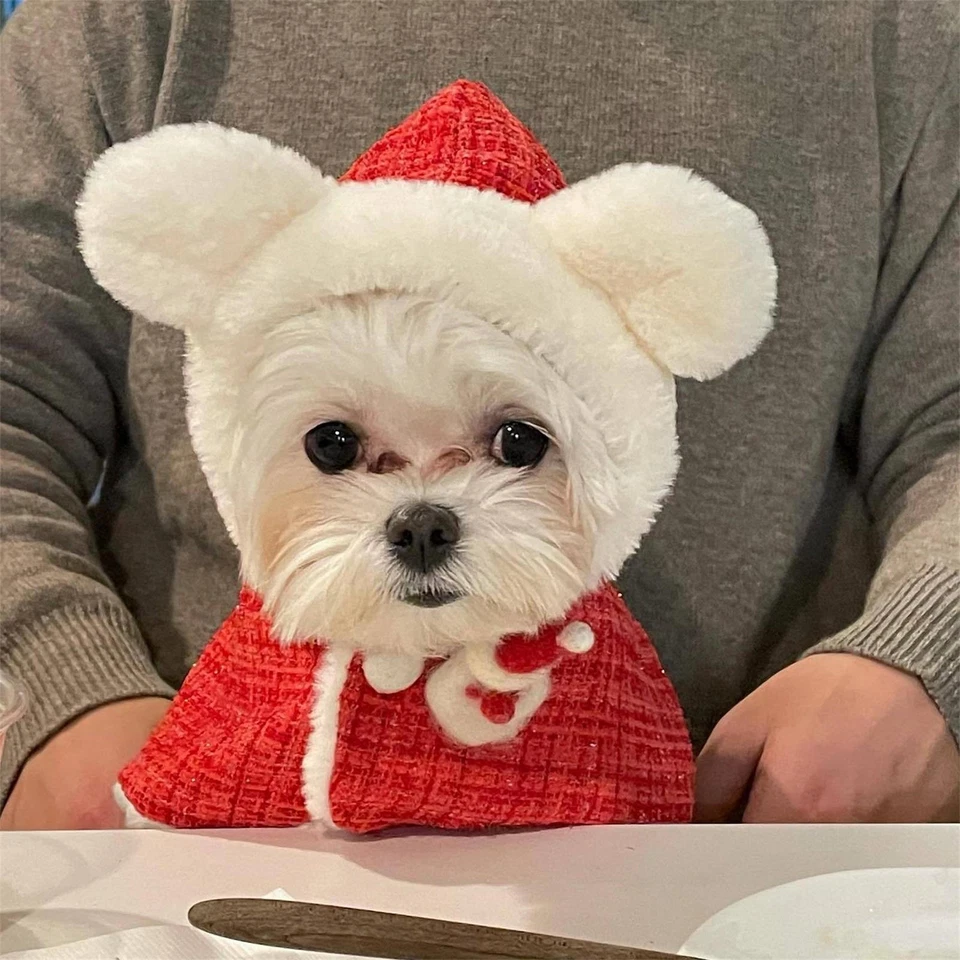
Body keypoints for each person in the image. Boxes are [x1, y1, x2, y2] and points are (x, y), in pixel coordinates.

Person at [1, 0, 957, 831]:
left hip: (767, 829)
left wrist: (924, 660)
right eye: (339, 447)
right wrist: (52, 689)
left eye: (513, 445)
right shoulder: (120, 20)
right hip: (194, 820)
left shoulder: (903, 27)